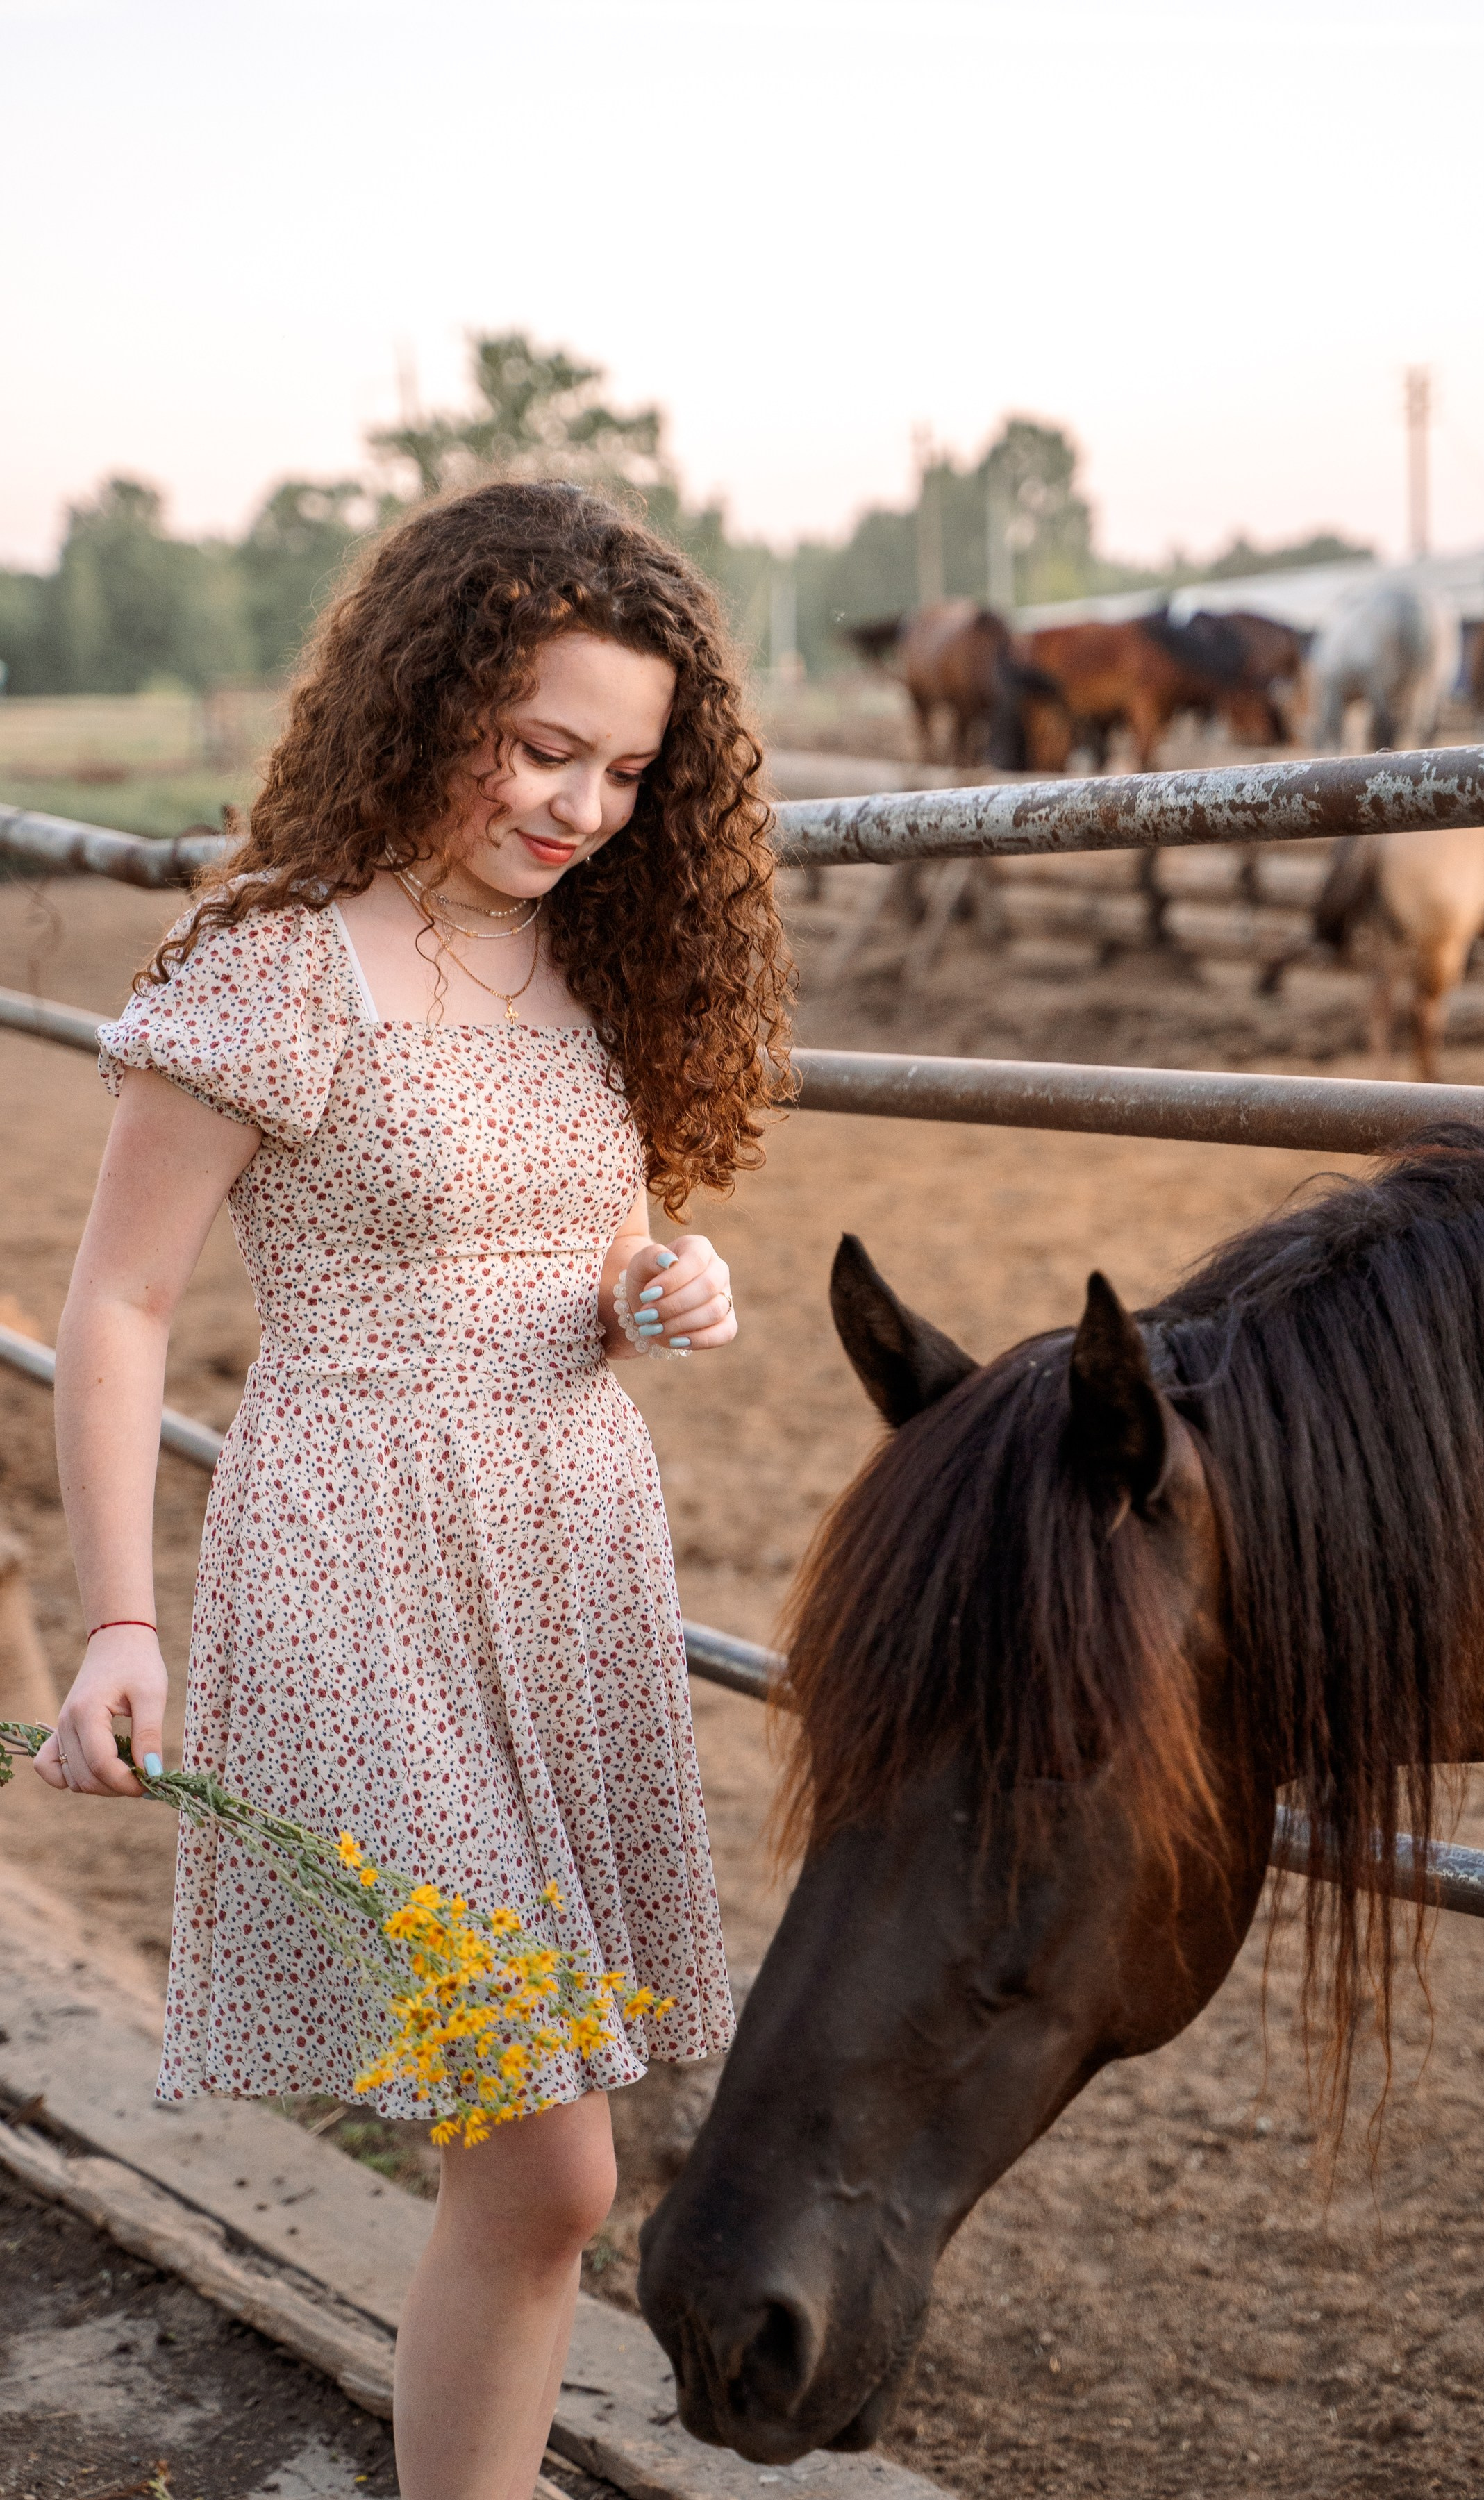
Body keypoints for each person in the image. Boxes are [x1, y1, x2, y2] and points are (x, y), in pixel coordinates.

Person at [34, 480, 792, 2500]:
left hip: (567, 1554)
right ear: (429, 695)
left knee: (534, 2160)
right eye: (543, 747)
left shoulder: (592, 970)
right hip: (355, 1566)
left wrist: (665, 1280)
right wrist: (117, 1621)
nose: (581, 807)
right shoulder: (282, 974)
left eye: (628, 770)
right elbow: (115, 1308)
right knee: (551, 2160)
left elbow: (605, 1241)